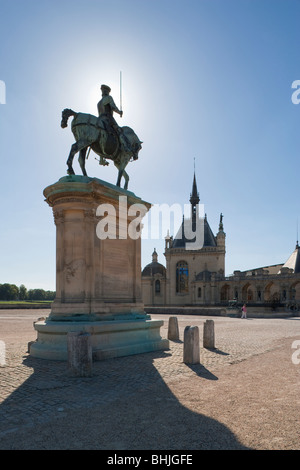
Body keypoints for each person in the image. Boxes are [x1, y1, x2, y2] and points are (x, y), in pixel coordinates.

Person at [97, 84, 131, 155]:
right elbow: (113, 107)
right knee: (119, 131)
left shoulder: (99, 103)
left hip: (99, 120)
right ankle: (126, 147)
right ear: (107, 92)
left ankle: (101, 159)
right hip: (108, 118)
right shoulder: (108, 98)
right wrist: (119, 112)